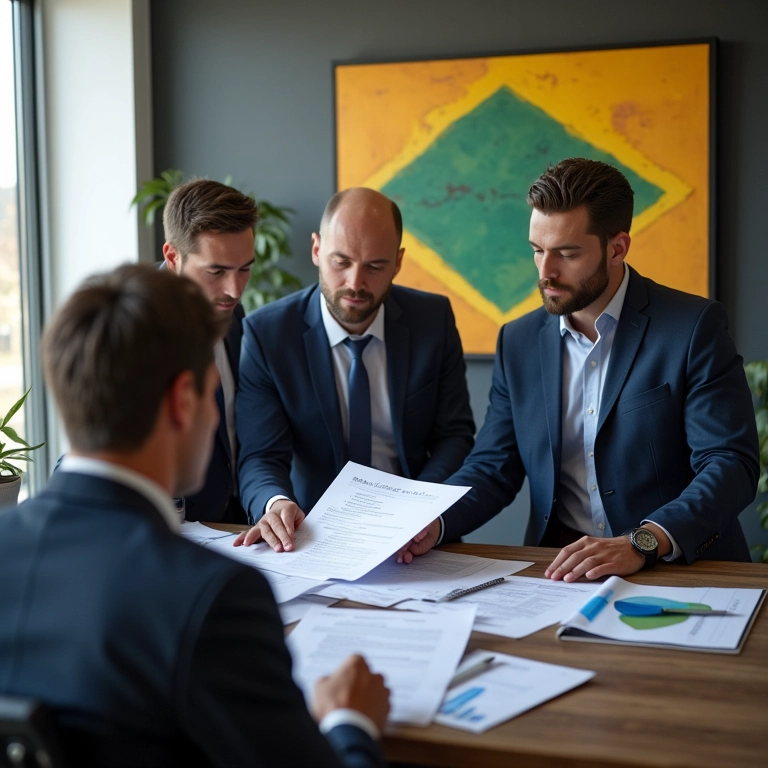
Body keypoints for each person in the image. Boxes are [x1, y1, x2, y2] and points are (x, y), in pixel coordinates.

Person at [0, 264, 389, 768]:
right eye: (211, 396)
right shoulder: (212, 598)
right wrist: (350, 723)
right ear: (184, 401)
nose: (214, 419)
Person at [398, 157, 759, 582]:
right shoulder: (518, 341)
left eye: (567, 254)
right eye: (537, 251)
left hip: (677, 565)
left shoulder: (693, 327)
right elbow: (494, 466)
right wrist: (433, 523)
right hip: (560, 573)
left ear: (617, 248)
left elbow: (730, 463)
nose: (545, 272)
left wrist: (642, 541)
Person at [236, 187, 475, 551]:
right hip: (312, 534)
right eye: (341, 262)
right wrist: (276, 503)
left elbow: (454, 437)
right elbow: (261, 456)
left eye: (375, 266)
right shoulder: (268, 334)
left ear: (397, 262)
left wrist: (415, 507)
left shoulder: (433, 320)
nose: (355, 283)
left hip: (415, 535)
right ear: (317, 250)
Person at [163, 178, 257, 523]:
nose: (234, 290)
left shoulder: (232, 312)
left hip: (236, 524)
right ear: (173, 256)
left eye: (245, 269)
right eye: (216, 271)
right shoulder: (131, 332)